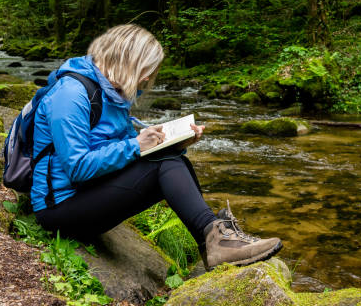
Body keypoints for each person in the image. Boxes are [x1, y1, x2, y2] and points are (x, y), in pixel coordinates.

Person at [31, 24, 282, 269]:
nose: (149, 77)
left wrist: (176, 144)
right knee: (165, 164)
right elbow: (77, 167)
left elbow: (125, 153)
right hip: (59, 209)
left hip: (87, 192)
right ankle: (217, 240)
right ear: (128, 61)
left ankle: (214, 241)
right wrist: (137, 145)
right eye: (147, 69)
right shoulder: (70, 94)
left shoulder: (111, 92)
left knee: (174, 159)